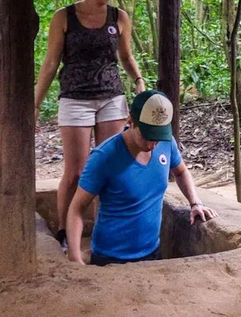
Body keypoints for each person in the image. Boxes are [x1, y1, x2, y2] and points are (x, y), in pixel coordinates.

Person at [34, 0, 146, 253]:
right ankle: (63, 230)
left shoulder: (119, 17)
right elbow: (50, 63)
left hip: (111, 96)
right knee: (76, 171)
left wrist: (138, 79)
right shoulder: (64, 17)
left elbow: (125, 57)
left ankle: (104, 230)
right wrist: (34, 104)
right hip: (74, 98)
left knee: (110, 166)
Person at [66, 90, 218, 266]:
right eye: (147, 136)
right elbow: (77, 208)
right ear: (131, 122)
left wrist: (195, 202)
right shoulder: (104, 157)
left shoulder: (166, 143)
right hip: (110, 258)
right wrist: (75, 256)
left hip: (152, 252)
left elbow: (181, 172)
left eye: (158, 138)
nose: (153, 145)